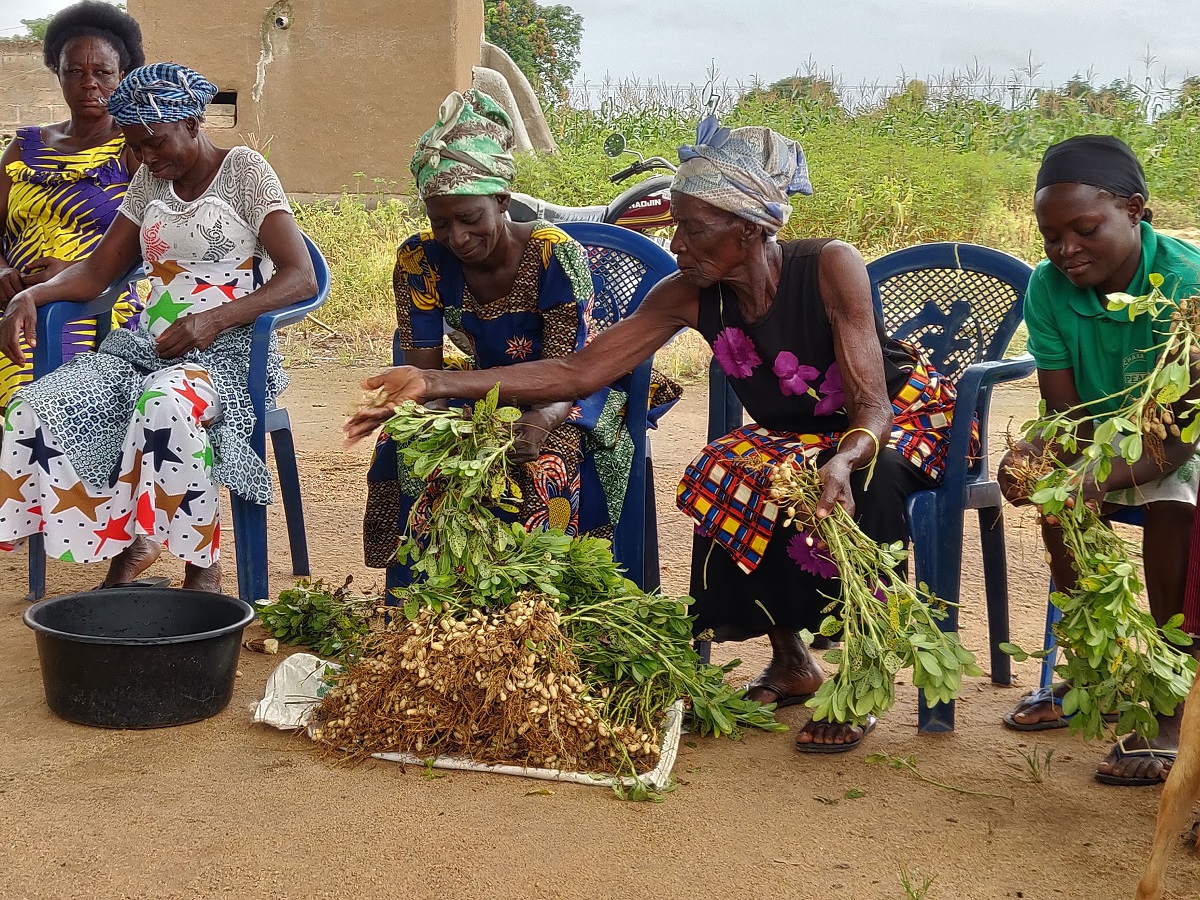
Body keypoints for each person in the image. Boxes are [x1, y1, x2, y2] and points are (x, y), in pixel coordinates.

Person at [347, 117, 966, 752]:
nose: (676, 244)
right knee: (721, 470)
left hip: (903, 420)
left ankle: (860, 680)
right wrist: (436, 385)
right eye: (676, 225)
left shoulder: (830, 265)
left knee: (870, 480)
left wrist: (846, 457)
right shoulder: (686, 295)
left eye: (694, 229)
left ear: (750, 229)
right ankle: (791, 662)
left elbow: (871, 404)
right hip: (794, 437)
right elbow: (578, 370)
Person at [0, 63, 316, 592]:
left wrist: (212, 321)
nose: (144, 158)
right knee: (36, 404)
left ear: (192, 122)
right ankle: (133, 539)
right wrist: (33, 294)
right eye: (134, 147)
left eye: (154, 143)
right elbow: (99, 270)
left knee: (165, 401)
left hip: (229, 356)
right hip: (145, 348)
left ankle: (201, 566)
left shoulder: (244, 172)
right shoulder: (148, 181)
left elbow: (301, 277)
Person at [363, 89, 671, 583]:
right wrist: (412, 418)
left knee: (540, 463)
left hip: (575, 389)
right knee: (407, 451)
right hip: (479, 387)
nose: (456, 238)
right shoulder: (419, 260)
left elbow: (569, 375)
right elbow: (427, 373)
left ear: (503, 201)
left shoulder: (554, 256)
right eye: (439, 222)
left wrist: (540, 419)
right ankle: (430, 599)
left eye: (469, 219)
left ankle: (540, 600)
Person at [998, 135, 1200, 786]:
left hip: (1185, 439)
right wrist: (1037, 460)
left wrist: (1098, 475)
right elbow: (1065, 414)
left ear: (1135, 211)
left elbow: (1180, 437)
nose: (1065, 250)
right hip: (1106, 436)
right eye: (1050, 235)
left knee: (1174, 508)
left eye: (1084, 229)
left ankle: (1170, 699)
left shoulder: (1186, 286)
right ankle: (1096, 677)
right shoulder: (1048, 288)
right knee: (1059, 506)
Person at [0, 0, 147, 408]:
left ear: (122, 76)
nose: (89, 84)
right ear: (58, 75)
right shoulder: (23, 147)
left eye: (101, 72)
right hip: (11, 297)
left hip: (95, 305)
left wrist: (76, 273)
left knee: (27, 389)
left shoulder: (134, 148)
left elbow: (154, 237)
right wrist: (3, 270)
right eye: (75, 72)